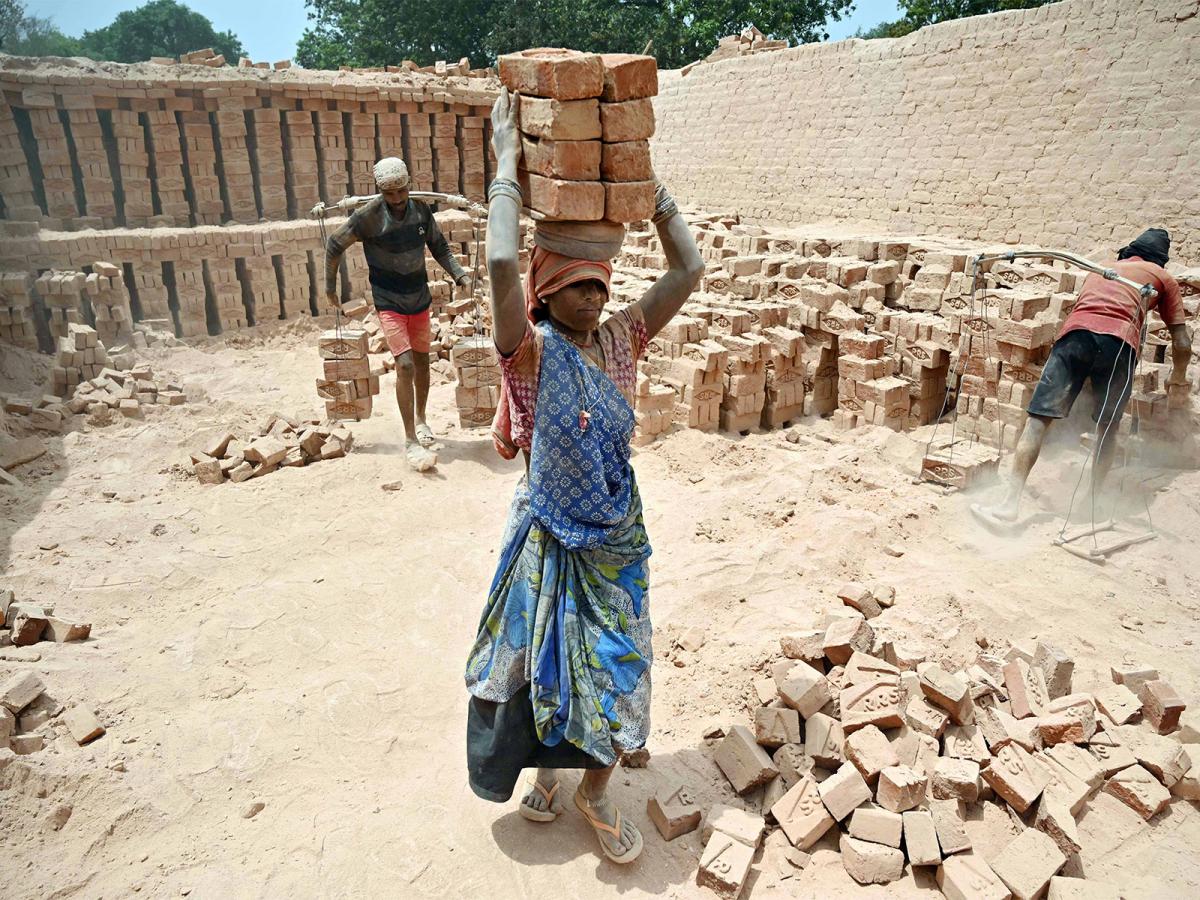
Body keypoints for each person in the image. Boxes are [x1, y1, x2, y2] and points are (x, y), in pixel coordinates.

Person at [464, 88, 704, 865]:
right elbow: (500, 260)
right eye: (578, 284)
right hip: (546, 533)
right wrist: (507, 165)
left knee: (618, 663)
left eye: (601, 283)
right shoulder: (529, 354)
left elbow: (689, 267)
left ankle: (594, 793)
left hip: (614, 538)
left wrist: (645, 186)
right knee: (540, 662)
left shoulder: (625, 338)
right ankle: (546, 772)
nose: (595, 297)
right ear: (545, 290)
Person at [973, 228, 1191, 526]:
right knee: (1107, 429)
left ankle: (1009, 504)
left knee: (1037, 420)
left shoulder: (1102, 269)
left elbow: (1084, 311)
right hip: (1119, 344)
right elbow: (1182, 342)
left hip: (1073, 338)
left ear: (1129, 251)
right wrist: (1178, 378)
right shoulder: (1163, 277)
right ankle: (1092, 505)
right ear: (1161, 259)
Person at [324, 157, 471, 471]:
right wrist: (329, 287)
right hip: (388, 300)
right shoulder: (368, 217)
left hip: (419, 298)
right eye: (389, 194)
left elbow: (439, 247)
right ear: (380, 191)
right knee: (404, 365)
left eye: (402, 191)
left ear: (409, 185)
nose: (397, 199)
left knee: (422, 361)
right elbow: (334, 244)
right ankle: (410, 440)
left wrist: (459, 275)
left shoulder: (420, 212)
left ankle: (421, 420)